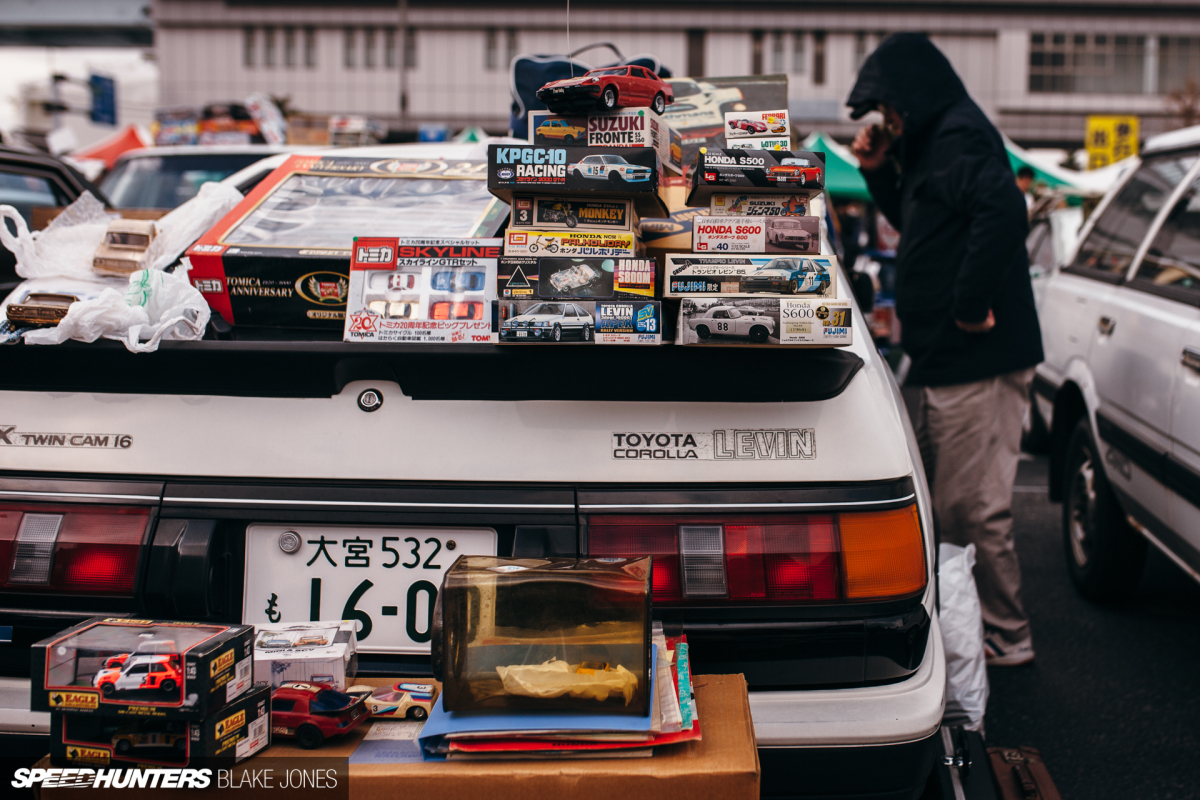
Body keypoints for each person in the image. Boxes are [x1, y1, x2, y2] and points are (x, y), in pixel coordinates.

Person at [847, 33, 1044, 667]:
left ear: (912, 94)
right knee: (938, 505)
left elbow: (1003, 210)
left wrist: (967, 303)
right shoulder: (932, 148)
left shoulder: (959, 135)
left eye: (889, 109)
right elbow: (918, 223)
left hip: (974, 358)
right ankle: (965, 627)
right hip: (940, 359)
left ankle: (1006, 635)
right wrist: (879, 170)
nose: (887, 122)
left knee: (970, 509)